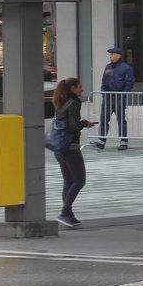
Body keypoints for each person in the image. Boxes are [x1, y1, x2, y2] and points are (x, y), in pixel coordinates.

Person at [51, 78, 95, 228]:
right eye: (80, 87)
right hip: (70, 148)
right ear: (73, 89)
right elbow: (73, 126)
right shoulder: (74, 103)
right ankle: (64, 213)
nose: (82, 90)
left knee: (68, 181)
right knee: (79, 180)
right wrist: (84, 123)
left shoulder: (60, 102)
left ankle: (68, 215)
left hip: (59, 148)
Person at [95, 47, 135, 150]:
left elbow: (130, 83)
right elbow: (103, 81)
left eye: (112, 54)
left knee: (121, 120)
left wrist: (123, 94)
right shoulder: (108, 67)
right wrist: (104, 93)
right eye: (110, 54)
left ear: (119, 55)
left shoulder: (126, 68)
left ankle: (123, 141)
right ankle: (101, 140)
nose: (110, 56)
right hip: (108, 97)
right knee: (104, 118)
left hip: (119, 97)